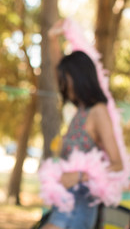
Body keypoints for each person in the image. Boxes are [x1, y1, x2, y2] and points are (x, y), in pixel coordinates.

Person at [40, 19, 124, 229]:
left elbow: (117, 164)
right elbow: (57, 67)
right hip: (66, 201)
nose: (63, 85)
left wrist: (79, 176)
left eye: (66, 79)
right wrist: (52, 39)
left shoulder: (98, 112)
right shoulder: (81, 110)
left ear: (78, 77)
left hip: (81, 201)